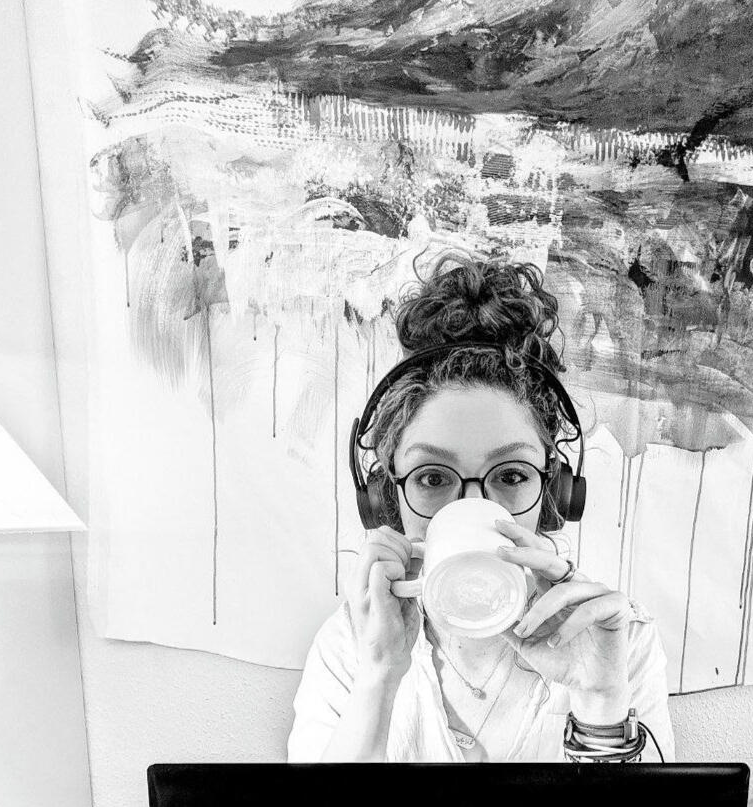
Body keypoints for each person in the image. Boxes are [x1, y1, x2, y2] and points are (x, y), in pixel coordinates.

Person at [287, 257, 675, 763]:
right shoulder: (349, 644)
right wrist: (378, 674)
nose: (474, 507)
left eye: (511, 476)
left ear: (555, 490)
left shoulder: (617, 638)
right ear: (385, 495)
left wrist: (601, 703)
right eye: (432, 478)